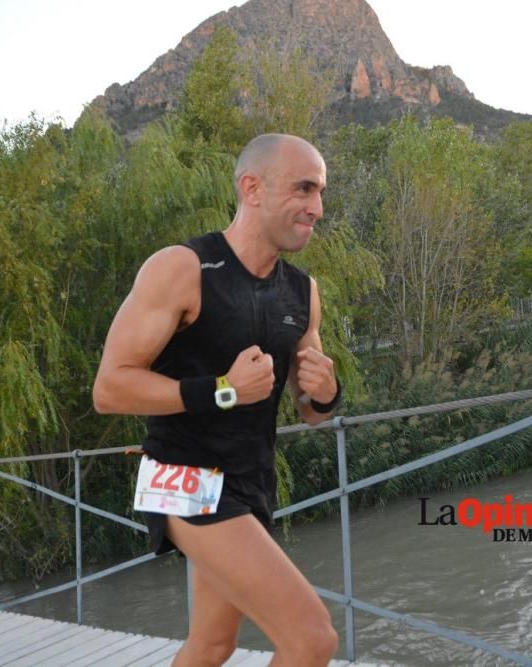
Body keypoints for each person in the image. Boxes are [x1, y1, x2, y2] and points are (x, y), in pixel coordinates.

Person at [93, 133, 342, 666]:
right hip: (182, 479)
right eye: (303, 189)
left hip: (251, 480)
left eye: (320, 193)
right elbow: (110, 387)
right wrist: (224, 390)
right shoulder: (181, 268)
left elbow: (310, 411)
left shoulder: (303, 292)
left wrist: (326, 395)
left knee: (212, 644)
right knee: (311, 638)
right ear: (252, 188)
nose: (316, 208)